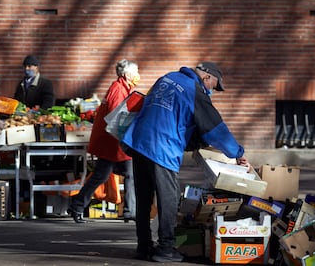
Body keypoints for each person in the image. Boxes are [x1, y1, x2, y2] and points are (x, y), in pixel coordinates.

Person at [121, 62, 251, 262]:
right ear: (206, 77)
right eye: (213, 87)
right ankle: (165, 248)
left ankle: (144, 246)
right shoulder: (194, 90)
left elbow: (168, 113)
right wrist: (237, 153)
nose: (212, 92)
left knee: (144, 197)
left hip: (138, 141)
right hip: (161, 147)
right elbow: (215, 129)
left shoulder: (167, 78)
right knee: (169, 198)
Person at [67, 59, 140, 223]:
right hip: (114, 143)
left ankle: (77, 205)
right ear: (127, 75)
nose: (138, 76)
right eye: (136, 73)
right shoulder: (119, 90)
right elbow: (118, 116)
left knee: (104, 175)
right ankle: (130, 211)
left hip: (110, 142)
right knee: (126, 174)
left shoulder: (120, 88)